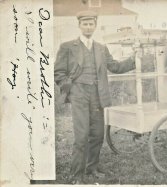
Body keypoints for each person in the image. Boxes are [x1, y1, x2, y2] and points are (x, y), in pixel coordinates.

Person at [54, 10, 137, 184]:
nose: (88, 27)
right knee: (81, 136)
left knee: (98, 134)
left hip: (98, 96)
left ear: (95, 26)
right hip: (79, 95)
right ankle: (76, 175)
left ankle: (91, 168)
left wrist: (134, 60)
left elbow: (114, 66)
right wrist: (70, 89)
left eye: (91, 24)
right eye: (85, 24)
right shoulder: (67, 47)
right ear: (79, 25)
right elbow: (58, 72)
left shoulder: (101, 48)